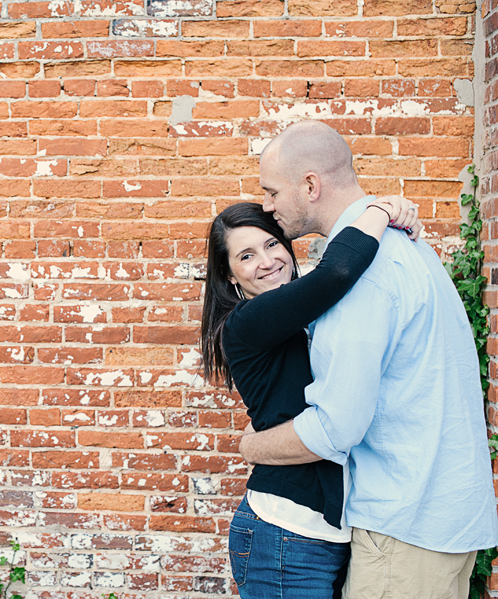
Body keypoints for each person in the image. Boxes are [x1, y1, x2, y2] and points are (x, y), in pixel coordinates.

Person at [239, 120, 498, 599]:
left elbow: (338, 427)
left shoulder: (361, 274)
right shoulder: (405, 243)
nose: (268, 205)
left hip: (405, 526)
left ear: (310, 185)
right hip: (440, 518)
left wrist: (251, 447)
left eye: (272, 191)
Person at [201, 197, 419, 598]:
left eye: (271, 244)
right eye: (246, 256)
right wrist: (380, 210)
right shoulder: (248, 322)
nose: (266, 261)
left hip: (329, 533)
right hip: (286, 534)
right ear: (230, 276)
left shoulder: (299, 316)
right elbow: (336, 271)